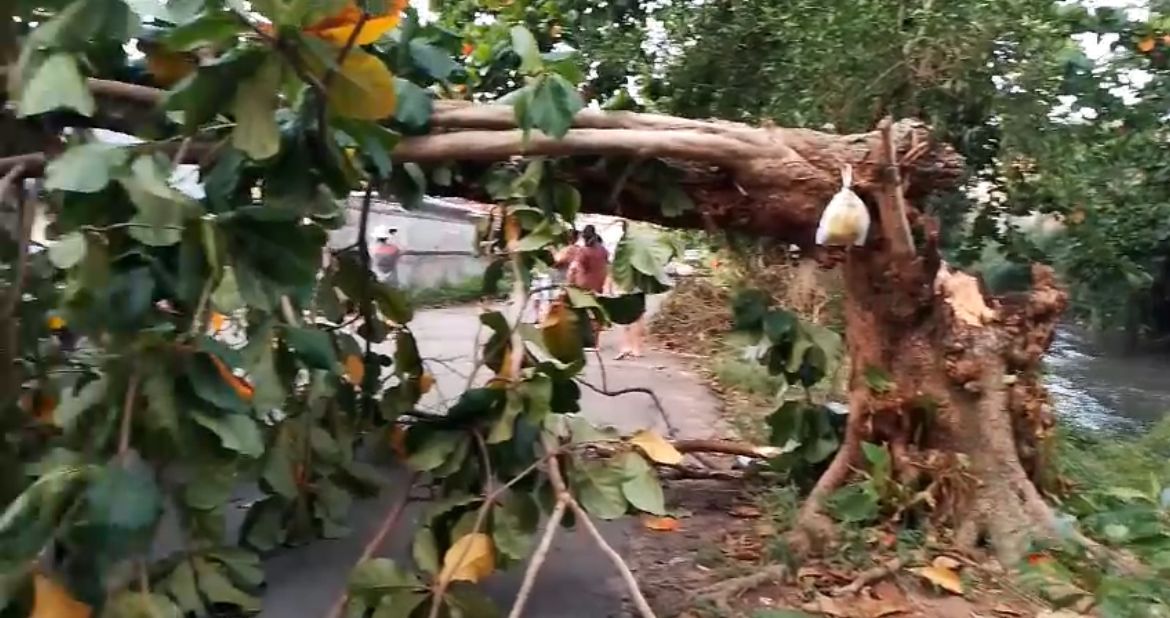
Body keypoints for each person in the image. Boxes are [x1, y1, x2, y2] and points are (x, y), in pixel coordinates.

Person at [569, 225, 609, 349]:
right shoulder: (603, 250)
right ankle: (595, 343)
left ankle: (585, 341)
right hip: (598, 284)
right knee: (595, 313)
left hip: (583, 285)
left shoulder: (583, 251)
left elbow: (574, 268)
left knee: (581, 314)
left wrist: (570, 283)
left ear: (583, 236)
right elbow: (606, 267)